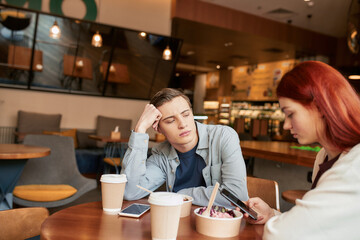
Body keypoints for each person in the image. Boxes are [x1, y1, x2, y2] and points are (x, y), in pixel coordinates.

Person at [243, 61, 360, 239]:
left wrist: (277, 223)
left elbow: (281, 235)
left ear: (320, 106)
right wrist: (272, 215)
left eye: (290, 114)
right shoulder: (323, 156)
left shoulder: (353, 167)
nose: (286, 125)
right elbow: (316, 226)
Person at [121, 88, 248, 206]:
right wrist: (140, 129)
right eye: (170, 120)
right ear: (158, 128)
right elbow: (130, 191)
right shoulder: (161, 155)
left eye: (186, 114)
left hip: (219, 226)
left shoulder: (223, 137)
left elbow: (236, 195)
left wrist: (181, 195)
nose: (182, 124)